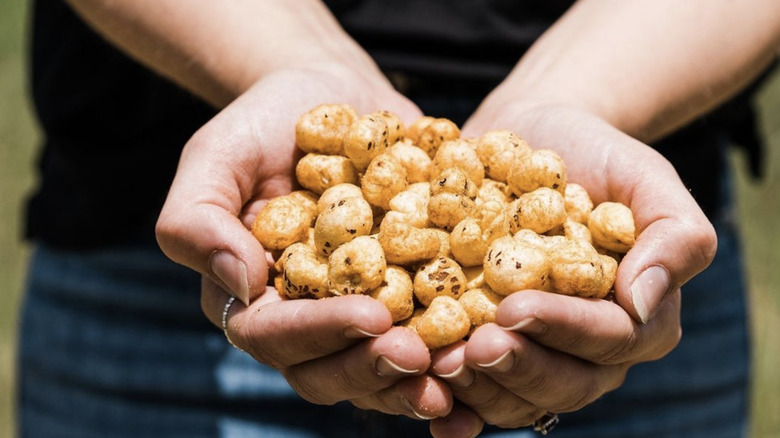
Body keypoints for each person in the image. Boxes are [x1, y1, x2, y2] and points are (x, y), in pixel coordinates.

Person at [17, 0, 780, 437]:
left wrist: (583, 96)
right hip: (160, 282)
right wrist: (287, 59)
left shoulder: (538, 214)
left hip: (628, 300)